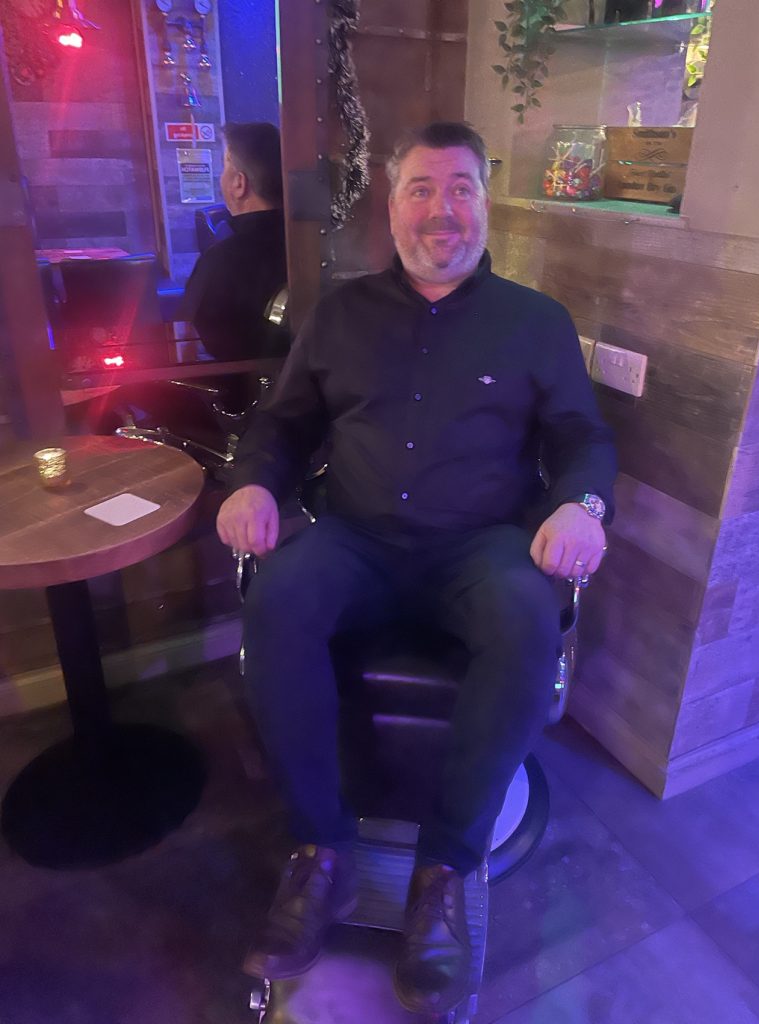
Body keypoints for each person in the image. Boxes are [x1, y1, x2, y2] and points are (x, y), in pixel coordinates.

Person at [216, 121, 617, 1015]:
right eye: (421, 189)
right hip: (356, 536)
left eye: (461, 189)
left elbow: (581, 437)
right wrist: (253, 485)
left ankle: (443, 872)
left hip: (481, 545)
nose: (442, 210)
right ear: (391, 206)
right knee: (277, 597)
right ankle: (319, 852)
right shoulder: (339, 314)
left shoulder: (535, 322)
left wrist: (581, 506)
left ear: (485, 203)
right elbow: (283, 423)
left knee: (525, 616)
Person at [180, 121, 288, 365]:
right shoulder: (314, 247)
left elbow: (188, 347)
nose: (221, 178)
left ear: (239, 183)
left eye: (224, 166)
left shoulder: (219, 262)